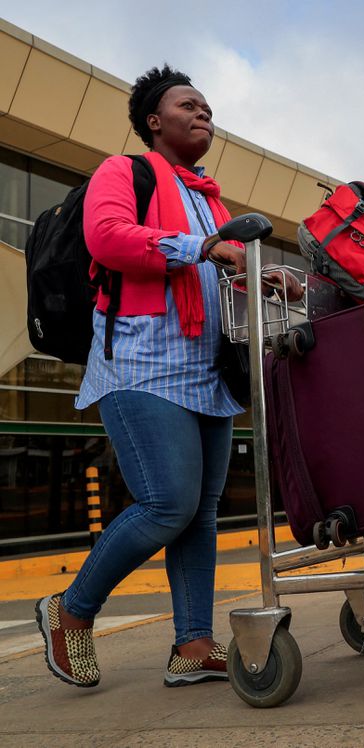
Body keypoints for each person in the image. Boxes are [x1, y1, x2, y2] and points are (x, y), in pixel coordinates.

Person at [36, 66, 252, 689]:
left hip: (203, 372)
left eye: (209, 105)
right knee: (167, 504)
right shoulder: (122, 172)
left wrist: (259, 276)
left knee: (200, 515)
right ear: (155, 121)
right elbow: (106, 238)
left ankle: (194, 644)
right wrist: (204, 248)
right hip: (140, 365)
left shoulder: (212, 201)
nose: (204, 112)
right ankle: (70, 612)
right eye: (190, 104)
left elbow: (218, 275)